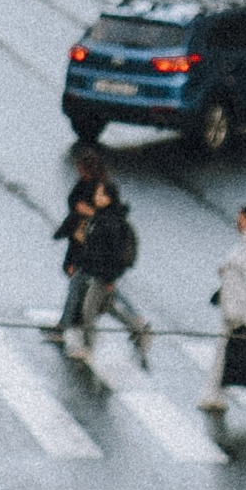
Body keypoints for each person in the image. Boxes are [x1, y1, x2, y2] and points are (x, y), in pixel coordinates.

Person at [199, 205, 246, 448]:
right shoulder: (244, 245)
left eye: (242, 218)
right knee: (223, 352)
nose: (237, 221)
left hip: (241, 311)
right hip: (230, 308)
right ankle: (214, 395)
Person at [68, 180, 152, 365]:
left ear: (109, 198)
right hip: (97, 272)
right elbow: (92, 247)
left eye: (100, 194)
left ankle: (87, 347)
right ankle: (140, 330)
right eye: (97, 194)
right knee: (109, 307)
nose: (96, 197)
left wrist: (110, 278)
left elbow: (114, 254)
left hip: (103, 275)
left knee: (88, 310)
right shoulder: (101, 216)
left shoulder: (111, 222)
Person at [42, 154, 110, 342]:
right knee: (78, 284)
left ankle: (65, 327)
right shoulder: (84, 184)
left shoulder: (102, 189)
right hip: (79, 238)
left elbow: (107, 215)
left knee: (81, 287)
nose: (79, 172)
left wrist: (88, 211)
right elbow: (73, 202)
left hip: (90, 244)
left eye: (82, 168)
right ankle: (68, 323)